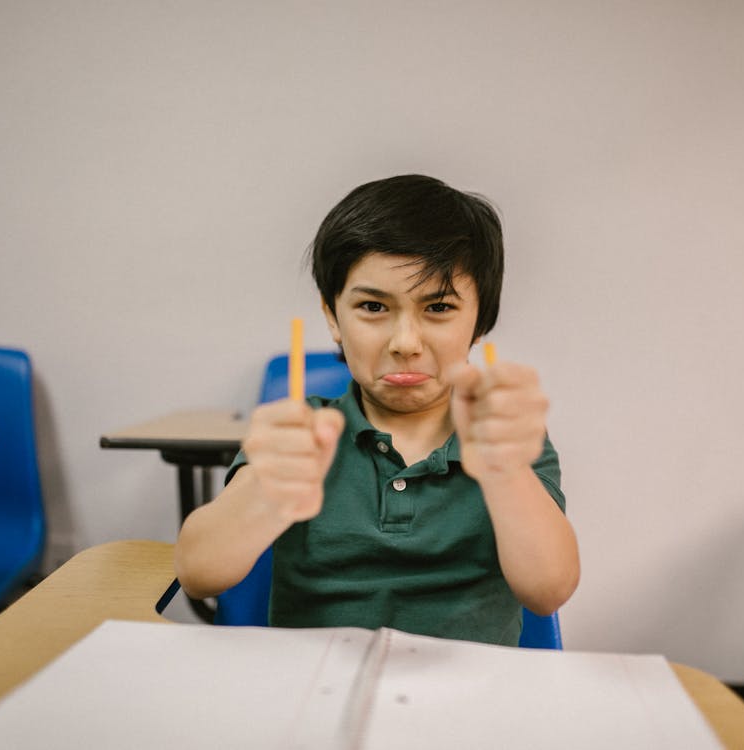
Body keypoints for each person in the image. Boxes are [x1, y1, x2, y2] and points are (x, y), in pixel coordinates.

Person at [174, 174, 579, 645]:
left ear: (481, 320)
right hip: (313, 693)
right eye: (372, 306)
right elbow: (199, 574)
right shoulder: (302, 431)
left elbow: (549, 591)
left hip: (467, 702)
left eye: (440, 307)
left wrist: (505, 473)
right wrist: (267, 492)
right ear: (332, 317)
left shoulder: (501, 435)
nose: (405, 343)